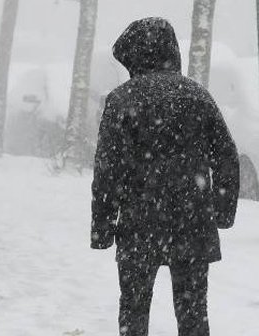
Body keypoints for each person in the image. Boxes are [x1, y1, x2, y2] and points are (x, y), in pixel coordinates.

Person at [91, 17, 240, 336]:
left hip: (139, 226)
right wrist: (222, 212)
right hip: (193, 224)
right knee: (193, 314)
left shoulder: (122, 100)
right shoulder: (198, 96)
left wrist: (103, 226)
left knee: (133, 310)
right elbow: (227, 155)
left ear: (135, 56)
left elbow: (107, 170)